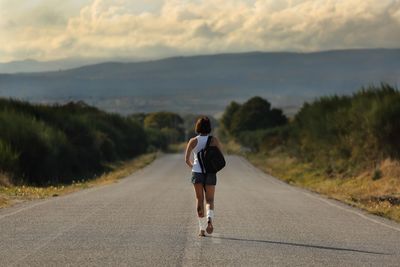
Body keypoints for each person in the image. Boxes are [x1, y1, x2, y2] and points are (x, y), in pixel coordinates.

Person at [184, 116, 224, 237]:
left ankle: (201, 229)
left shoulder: (193, 141)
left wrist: (195, 168)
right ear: (209, 127)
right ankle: (209, 220)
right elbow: (220, 157)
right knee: (210, 200)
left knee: (199, 200)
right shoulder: (214, 140)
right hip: (210, 173)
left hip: (197, 173)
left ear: (198, 127)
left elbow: (186, 160)